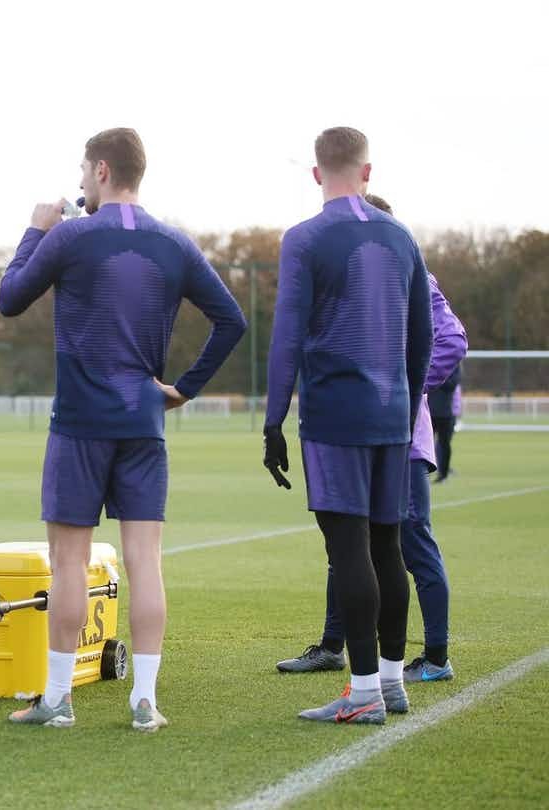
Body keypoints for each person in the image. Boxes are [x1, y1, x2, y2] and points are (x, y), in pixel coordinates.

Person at [0, 128, 246, 732]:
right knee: (145, 562)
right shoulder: (174, 243)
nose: (80, 182)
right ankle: (144, 701)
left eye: (84, 171)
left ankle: (57, 701)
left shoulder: (71, 236)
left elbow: (9, 298)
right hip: (142, 420)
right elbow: (230, 320)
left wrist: (36, 230)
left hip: (80, 422)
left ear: (103, 170)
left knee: (69, 563)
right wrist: (184, 388)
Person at [263, 127, 432, 724]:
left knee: (349, 548)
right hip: (391, 412)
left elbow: (287, 336)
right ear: (367, 172)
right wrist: (406, 408)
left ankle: (362, 694)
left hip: (335, 413)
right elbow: (423, 335)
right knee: (387, 546)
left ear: (316, 173)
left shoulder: (305, 238)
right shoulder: (401, 236)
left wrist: (273, 419)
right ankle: (390, 683)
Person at [275, 193, 466, 683]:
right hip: (358, 428)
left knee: (410, 544)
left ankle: (436, 656)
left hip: (400, 434)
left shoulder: (411, 273)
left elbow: (452, 337)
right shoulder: (352, 273)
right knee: (348, 544)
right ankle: (334, 645)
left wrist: (402, 386)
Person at [429, 365, 461, 482]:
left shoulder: (453, 366)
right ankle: (425, 471)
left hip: (446, 412)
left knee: (444, 444)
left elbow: (452, 384)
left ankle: (443, 473)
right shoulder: (430, 362)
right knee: (425, 443)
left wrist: (439, 378)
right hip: (428, 411)